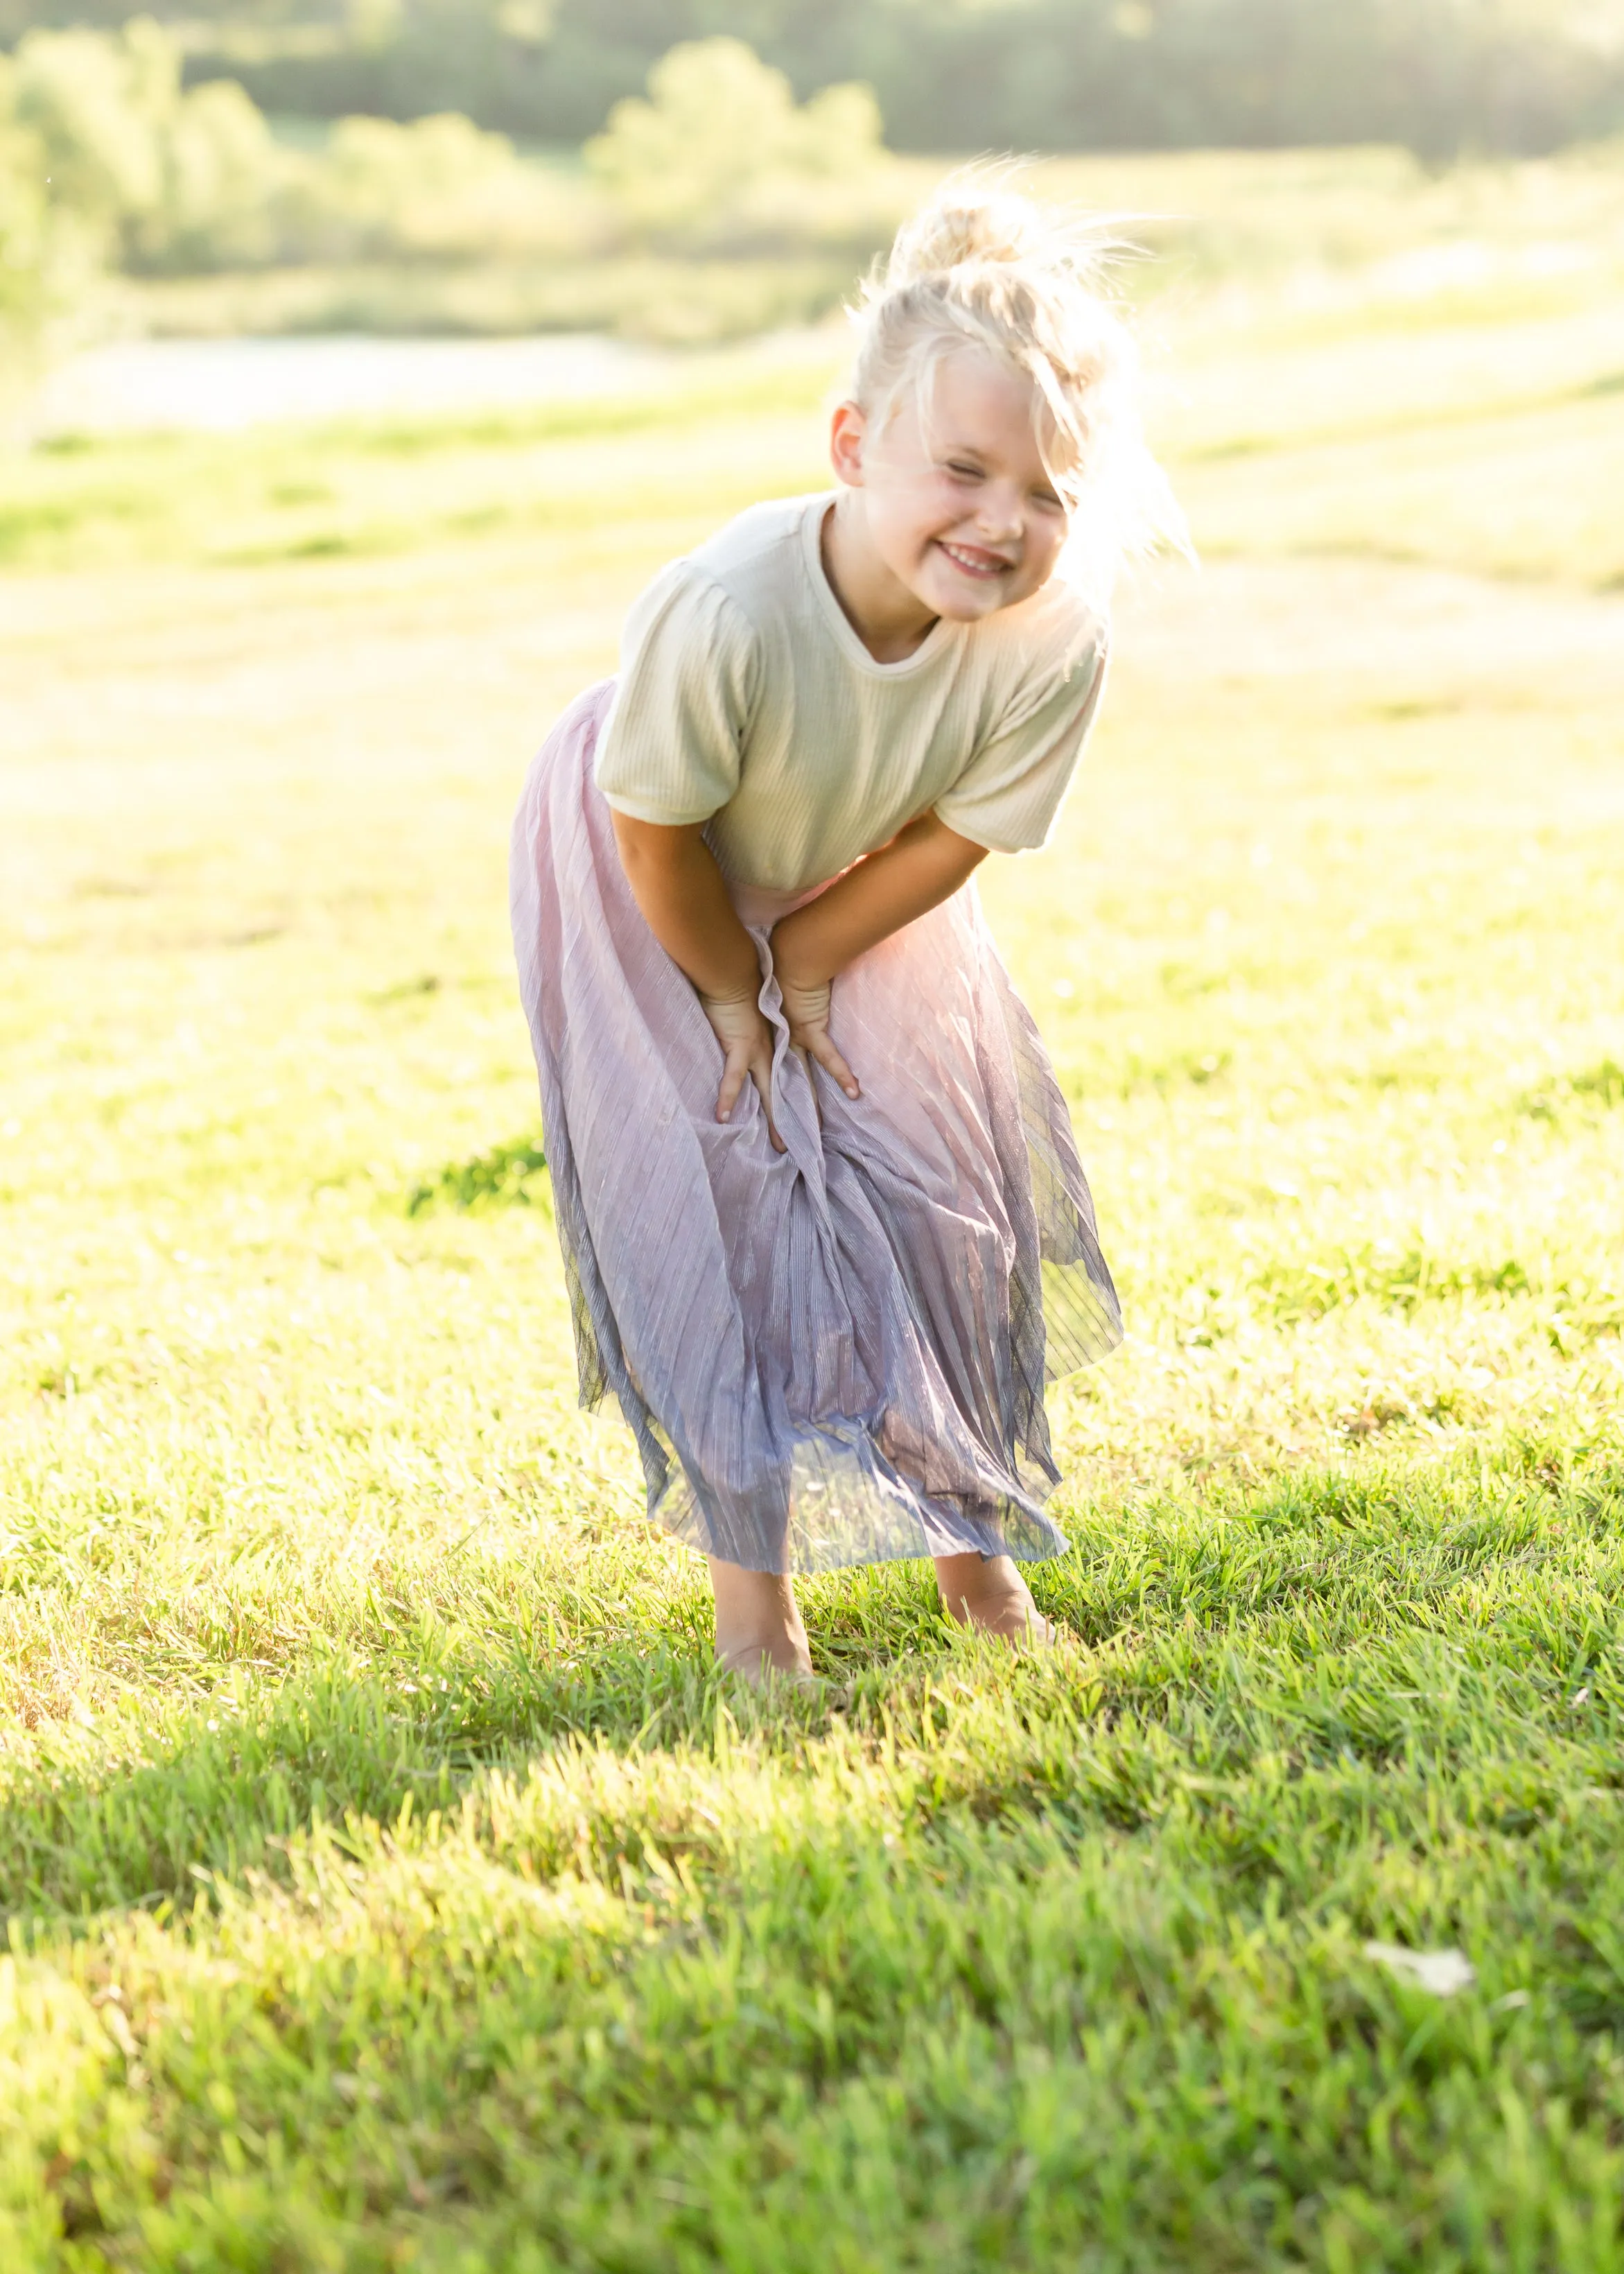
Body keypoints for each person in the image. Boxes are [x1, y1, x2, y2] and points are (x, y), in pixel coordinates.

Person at [511, 177, 1180, 1684]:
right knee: (724, 1201)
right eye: (963, 470)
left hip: (861, 880)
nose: (1005, 523)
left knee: (940, 1191)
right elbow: (653, 827)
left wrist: (809, 955)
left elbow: (956, 834)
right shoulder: (734, 606)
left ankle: (981, 1563)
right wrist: (736, 990)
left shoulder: (1050, 635)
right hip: (652, 883)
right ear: (852, 446)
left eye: (1049, 494)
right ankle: (760, 1619)